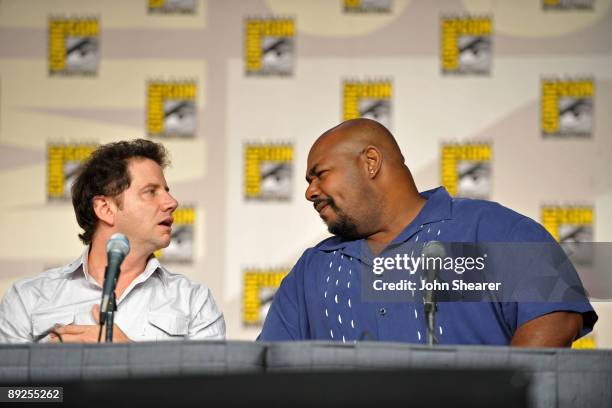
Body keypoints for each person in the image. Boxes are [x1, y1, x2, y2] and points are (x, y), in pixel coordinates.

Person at [259, 118, 597, 346]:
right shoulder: (312, 270)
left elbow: (556, 318)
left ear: (370, 162)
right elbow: (270, 369)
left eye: (320, 175)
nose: (310, 192)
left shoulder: (491, 231)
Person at [0, 139, 225, 343]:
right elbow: (11, 389)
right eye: (151, 192)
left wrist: (130, 358)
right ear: (105, 209)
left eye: (166, 190)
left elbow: (211, 389)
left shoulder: (194, 301)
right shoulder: (27, 298)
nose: (172, 202)